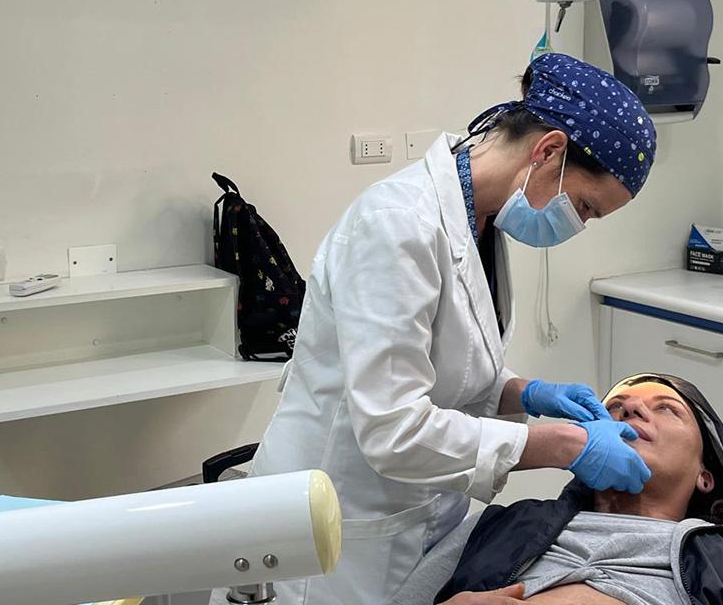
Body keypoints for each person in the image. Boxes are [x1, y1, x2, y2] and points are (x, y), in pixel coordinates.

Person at [241, 54, 659, 605]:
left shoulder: (481, 220)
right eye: (585, 206)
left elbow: (445, 364)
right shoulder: (397, 225)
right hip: (332, 520)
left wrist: (524, 392)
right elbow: (393, 428)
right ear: (549, 151)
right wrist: (563, 444)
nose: (578, 224)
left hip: (416, 518)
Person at [392, 374, 723, 605]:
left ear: (706, 474)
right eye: (615, 408)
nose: (631, 407)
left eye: (667, 409)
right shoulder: (497, 526)